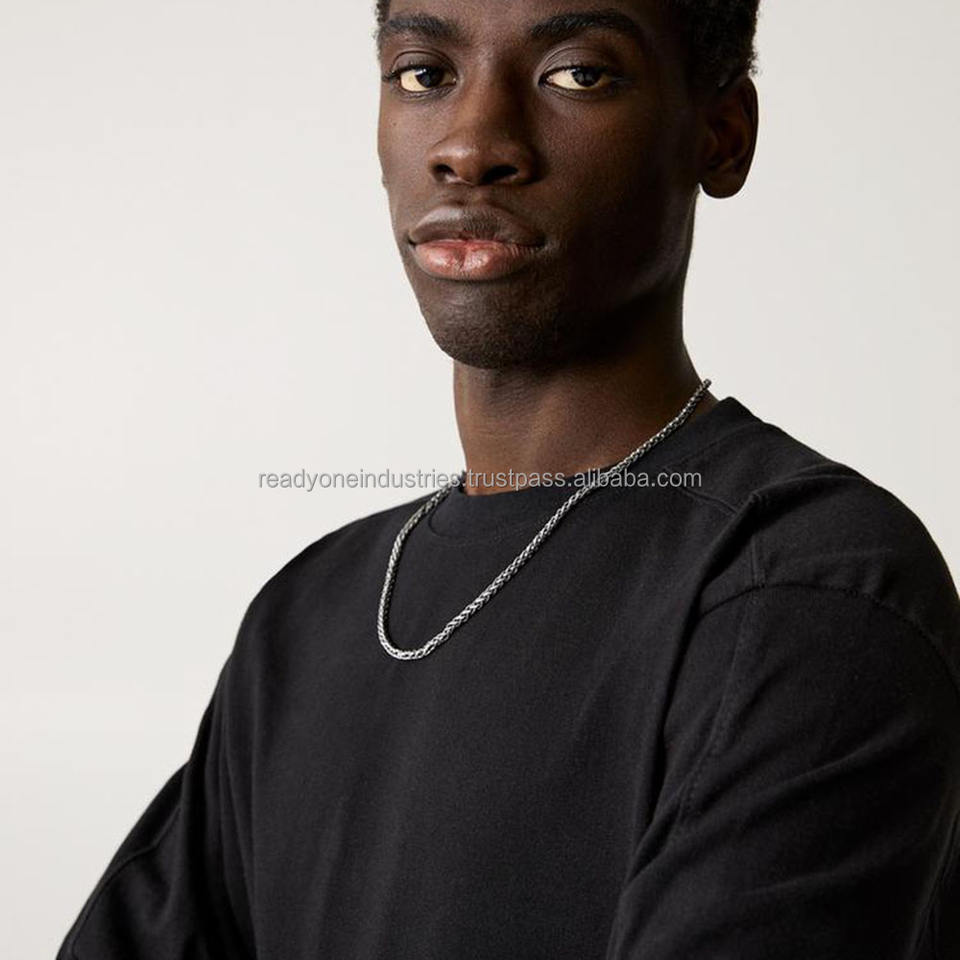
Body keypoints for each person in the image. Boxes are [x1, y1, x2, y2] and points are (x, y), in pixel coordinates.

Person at [57, 0, 960, 957]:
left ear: (722, 135)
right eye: (424, 73)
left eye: (579, 73)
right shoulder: (307, 614)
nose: (470, 146)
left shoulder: (804, 589)